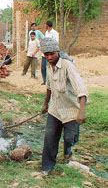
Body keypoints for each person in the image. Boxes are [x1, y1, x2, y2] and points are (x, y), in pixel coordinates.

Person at [40, 37, 87, 175]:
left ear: (57, 52)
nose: (49, 57)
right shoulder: (48, 66)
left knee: (69, 138)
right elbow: (49, 87)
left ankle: (68, 152)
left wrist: (82, 110)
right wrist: (45, 104)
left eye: (51, 54)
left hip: (70, 108)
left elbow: (81, 88)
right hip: (55, 108)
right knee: (50, 136)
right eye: (46, 55)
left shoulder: (68, 65)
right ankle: (47, 166)